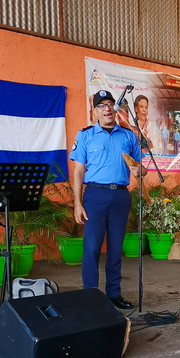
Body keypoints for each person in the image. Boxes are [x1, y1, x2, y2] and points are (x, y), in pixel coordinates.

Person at [71, 90, 144, 310]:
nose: (107, 108)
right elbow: (78, 172)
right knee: (92, 248)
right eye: (102, 105)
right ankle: (91, 297)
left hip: (121, 195)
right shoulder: (85, 136)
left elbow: (142, 168)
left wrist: (140, 170)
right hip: (95, 195)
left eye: (110, 104)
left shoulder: (129, 136)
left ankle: (114, 294)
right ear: (95, 111)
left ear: (115, 108)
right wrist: (77, 203)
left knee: (115, 248)